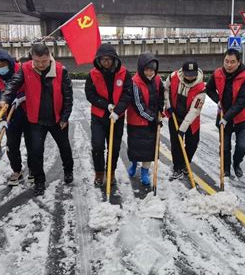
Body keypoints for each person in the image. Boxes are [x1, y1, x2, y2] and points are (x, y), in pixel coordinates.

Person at [0, 43, 73, 196]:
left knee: (64, 147)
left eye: (44, 61)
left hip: (57, 119)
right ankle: (39, 181)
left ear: (49, 57)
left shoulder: (60, 70)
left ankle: (68, 171)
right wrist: (5, 98)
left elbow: (68, 96)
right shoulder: (25, 68)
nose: (40, 65)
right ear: (32, 57)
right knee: (36, 152)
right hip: (36, 120)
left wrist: (65, 116)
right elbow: (12, 85)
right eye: (36, 61)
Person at [85, 44, 132, 188]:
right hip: (99, 116)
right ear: (99, 60)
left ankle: (110, 173)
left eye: (109, 59)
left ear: (114, 59)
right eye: (103, 59)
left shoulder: (124, 73)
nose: (106, 62)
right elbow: (90, 95)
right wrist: (106, 105)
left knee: (114, 147)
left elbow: (127, 94)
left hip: (117, 117)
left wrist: (117, 111)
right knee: (98, 146)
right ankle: (99, 173)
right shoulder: (93, 74)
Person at [0, 49, 32, 185]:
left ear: (9, 63)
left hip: (28, 111)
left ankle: (33, 169)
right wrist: (0, 120)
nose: (1, 68)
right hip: (9, 115)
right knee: (11, 145)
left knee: (32, 143)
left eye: (3, 65)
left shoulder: (22, 69)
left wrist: (19, 98)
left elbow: (31, 90)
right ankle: (17, 170)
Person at [206, 49, 245, 178]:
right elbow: (209, 89)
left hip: (241, 118)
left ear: (239, 62)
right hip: (223, 117)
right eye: (226, 61)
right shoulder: (217, 73)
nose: (229, 65)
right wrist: (217, 100)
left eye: (232, 62)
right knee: (225, 147)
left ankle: (236, 164)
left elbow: (241, 102)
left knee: (242, 146)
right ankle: (226, 168)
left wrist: (226, 118)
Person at [126, 52, 164, 186]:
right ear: (141, 69)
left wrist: (160, 110)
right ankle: (134, 164)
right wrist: (153, 118)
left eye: (152, 70)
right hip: (136, 122)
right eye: (147, 70)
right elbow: (139, 106)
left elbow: (161, 97)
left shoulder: (158, 80)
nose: (149, 73)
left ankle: (144, 171)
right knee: (136, 148)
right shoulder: (134, 82)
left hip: (152, 121)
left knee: (149, 150)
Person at [164, 61, 206, 180]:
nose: (190, 77)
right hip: (174, 115)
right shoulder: (173, 77)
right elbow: (165, 90)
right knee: (176, 144)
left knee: (192, 144)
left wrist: (182, 129)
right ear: (183, 72)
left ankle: (185, 164)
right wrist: (168, 106)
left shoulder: (200, 88)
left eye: (192, 74)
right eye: (188, 74)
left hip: (191, 121)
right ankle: (177, 167)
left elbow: (194, 111)